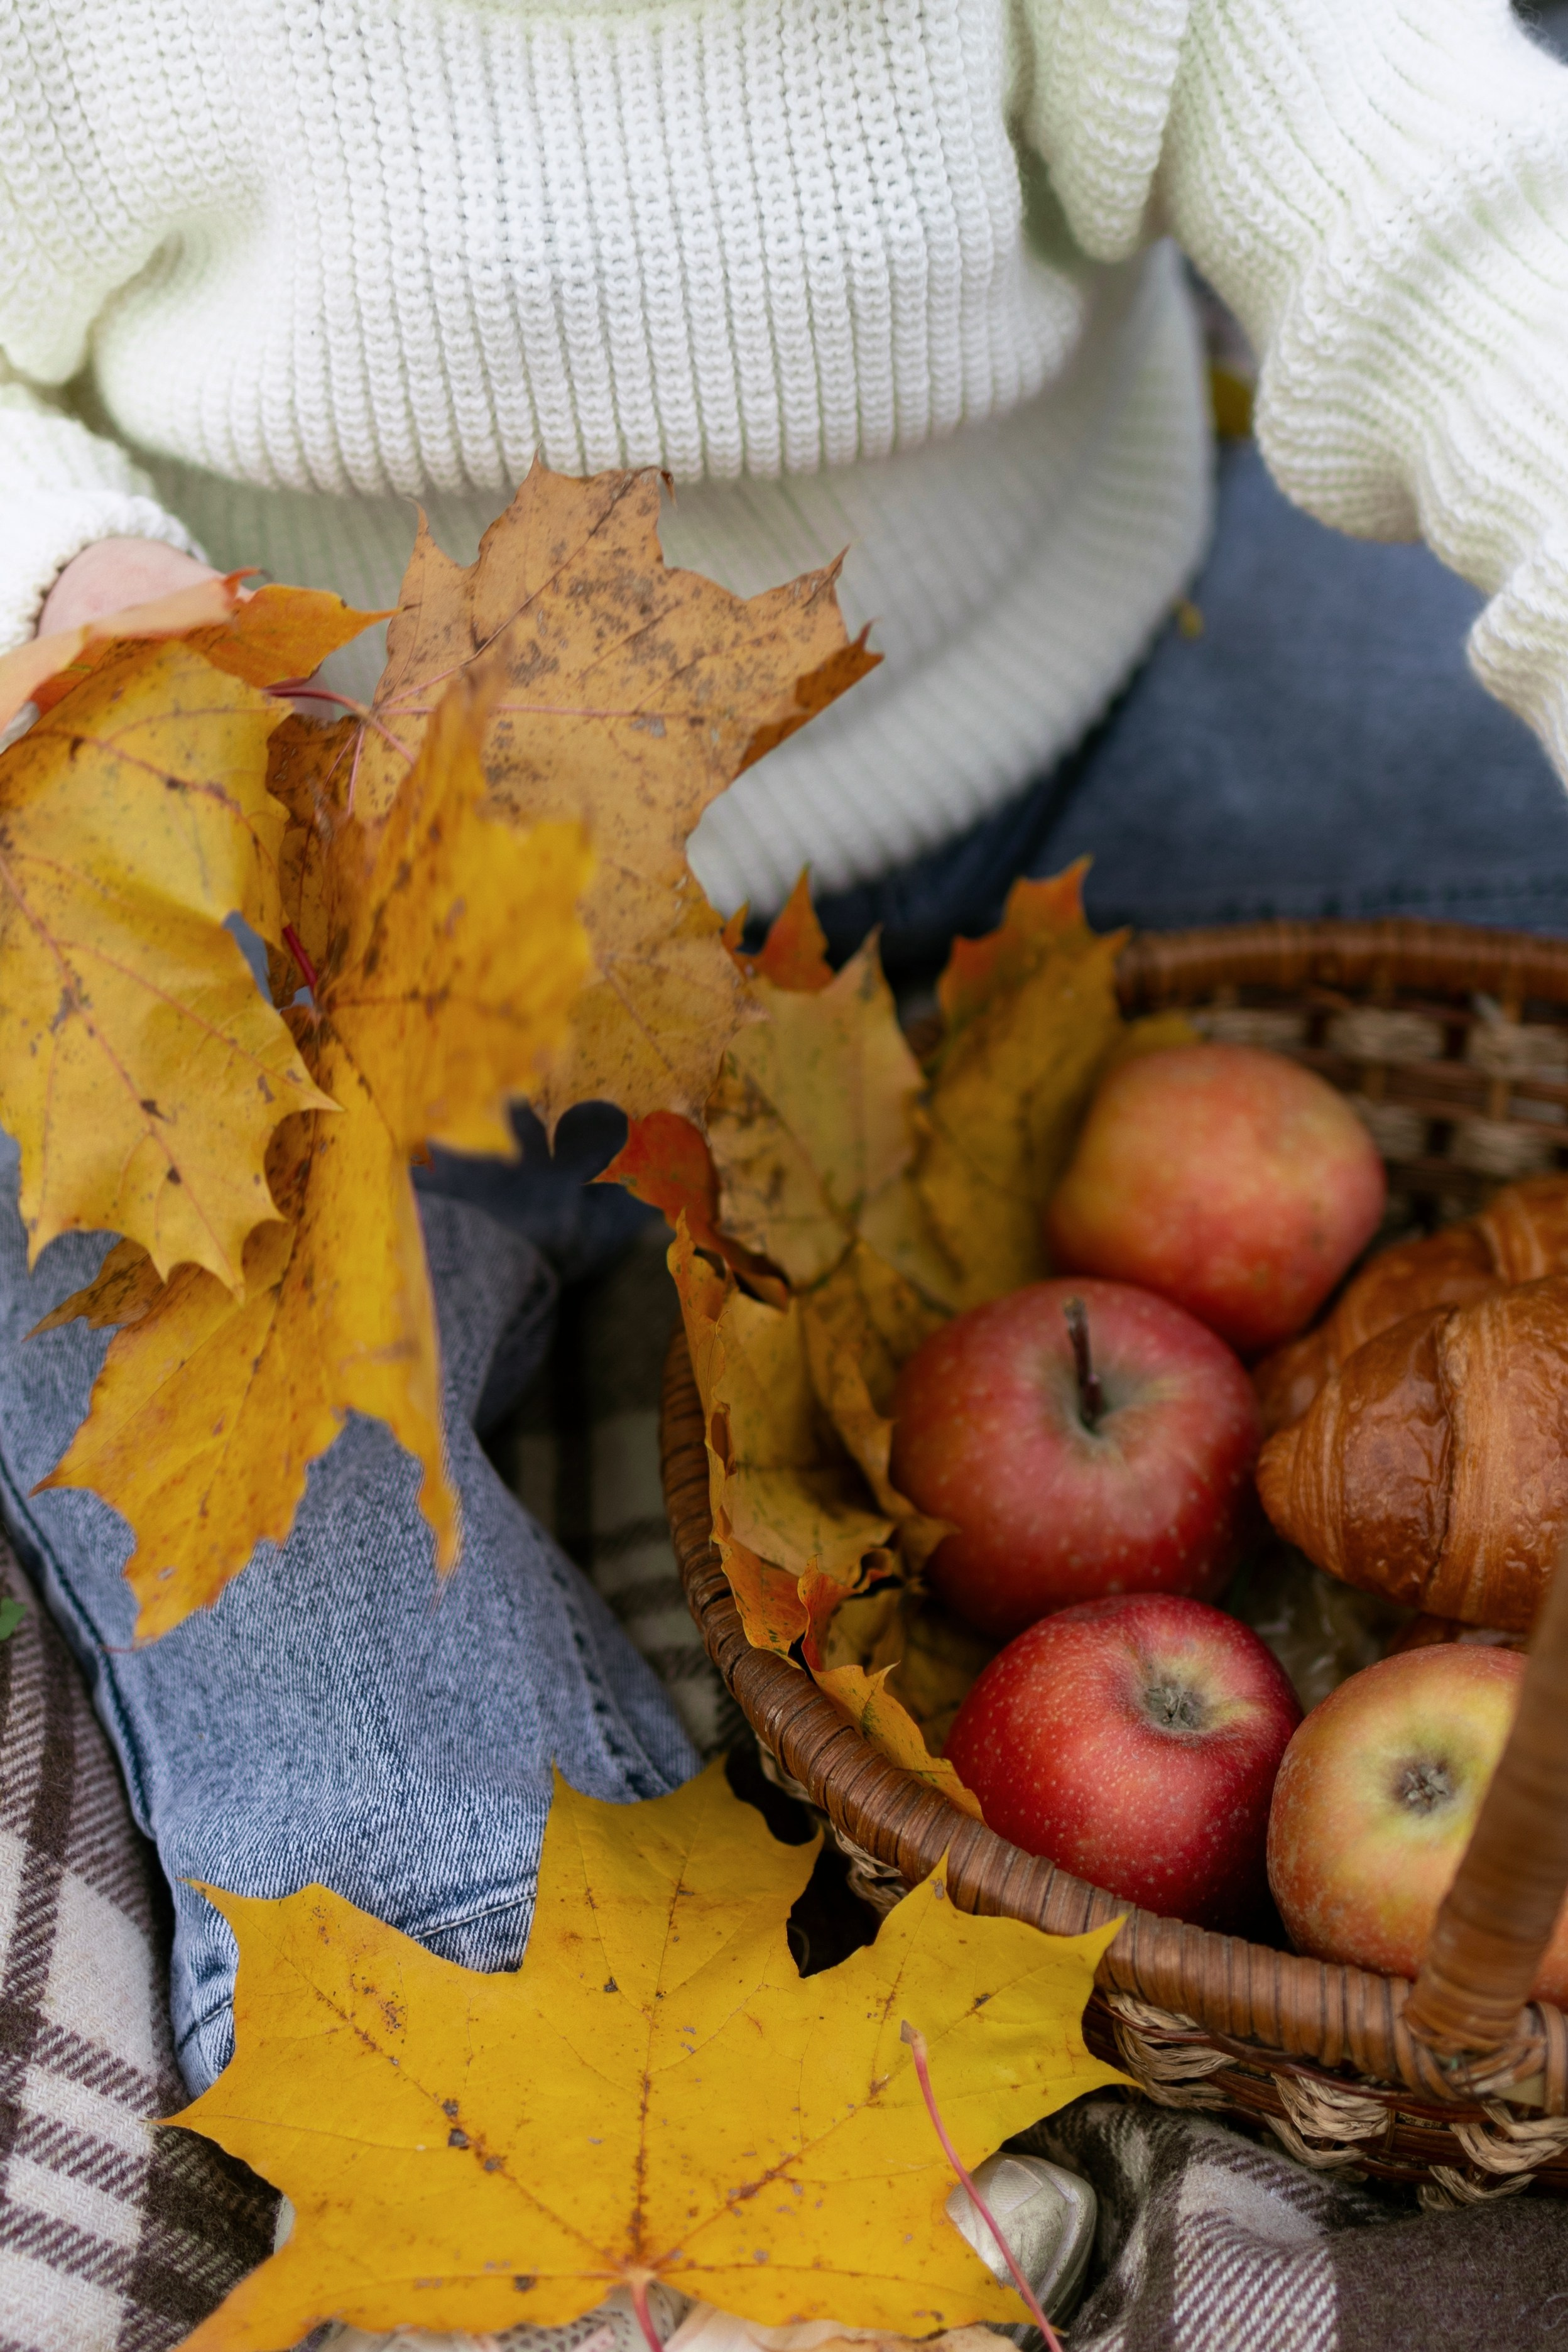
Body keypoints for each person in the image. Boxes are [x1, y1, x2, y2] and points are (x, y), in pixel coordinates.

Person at [5, 0, 1568, 2104]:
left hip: (1066, 746)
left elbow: (1448, 209)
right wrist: (80, 594)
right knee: (93, 1221)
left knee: (1432, 689)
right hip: (342, 953)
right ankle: (487, 1960)